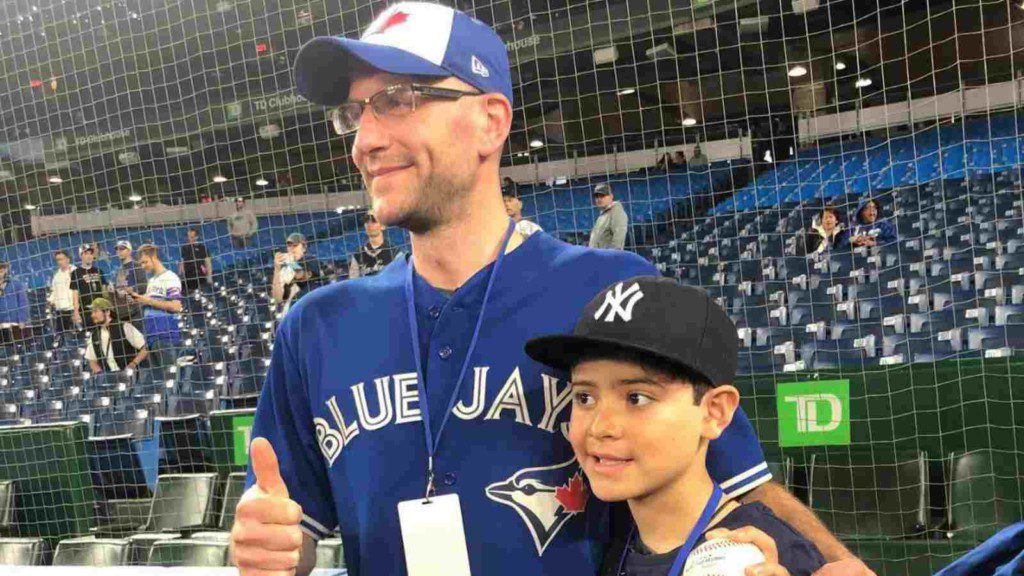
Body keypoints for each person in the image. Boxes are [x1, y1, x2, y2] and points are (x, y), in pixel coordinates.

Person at [233, 4, 868, 576]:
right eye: (354, 112)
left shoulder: (610, 285)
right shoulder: (315, 326)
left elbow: (734, 486)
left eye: (398, 100)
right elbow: (297, 533)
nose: (365, 139)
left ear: (490, 121)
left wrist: (840, 566)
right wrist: (273, 547)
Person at [524, 277, 826, 576]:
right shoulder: (615, 544)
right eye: (585, 397)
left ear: (714, 412)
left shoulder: (773, 556)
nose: (600, 427)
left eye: (636, 398)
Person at [127, 244, 182, 369]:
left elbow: (176, 306)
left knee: (168, 378)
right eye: (141, 263)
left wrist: (148, 300)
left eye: (145, 262)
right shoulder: (151, 281)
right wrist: (137, 299)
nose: (142, 266)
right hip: (151, 339)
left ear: (154, 257)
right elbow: (148, 302)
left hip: (166, 338)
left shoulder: (170, 277)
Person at [84, 298, 148, 374]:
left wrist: (133, 363)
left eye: (95, 311)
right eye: (92, 312)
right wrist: (100, 373)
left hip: (131, 376)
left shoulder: (124, 327)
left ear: (107, 312)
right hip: (110, 378)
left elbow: (145, 348)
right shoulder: (94, 335)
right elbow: (92, 360)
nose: (92, 315)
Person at [271, 233, 323, 311]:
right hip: (292, 311)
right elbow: (278, 298)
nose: (291, 248)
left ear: (304, 247)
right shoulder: (285, 269)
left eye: (295, 245)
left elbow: (302, 276)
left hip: (312, 307)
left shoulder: (311, 260)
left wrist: (291, 262)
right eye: (289, 245)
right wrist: (277, 269)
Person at [348, 213, 395, 279]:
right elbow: (353, 282)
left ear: (383, 226)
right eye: (366, 220)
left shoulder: (395, 252)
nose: (369, 224)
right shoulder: (357, 255)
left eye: (374, 220)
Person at [110, 239, 147, 323]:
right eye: (117, 249)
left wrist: (132, 289)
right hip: (123, 311)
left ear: (129, 251)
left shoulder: (136, 266)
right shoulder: (119, 270)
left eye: (122, 249)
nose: (119, 251)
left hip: (136, 310)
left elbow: (144, 285)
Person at [70, 243, 107, 327]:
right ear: (81, 255)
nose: (89, 256)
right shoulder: (76, 273)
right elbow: (75, 294)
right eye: (86, 253)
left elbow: (104, 291)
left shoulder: (99, 271)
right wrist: (76, 312)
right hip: (86, 310)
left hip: (100, 310)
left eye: (91, 253)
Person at [589, 183, 628, 250]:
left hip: (607, 259)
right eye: (597, 196)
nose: (599, 199)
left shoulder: (616, 212)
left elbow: (618, 243)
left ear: (611, 196)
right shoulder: (603, 215)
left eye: (602, 196)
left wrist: (610, 259)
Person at [48, 250, 76, 341]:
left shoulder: (75, 272)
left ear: (68, 259)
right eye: (57, 260)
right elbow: (54, 292)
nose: (59, 262)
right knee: (61, 337)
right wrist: (51, 301)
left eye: (61, 259)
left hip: (73, 310)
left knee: (75, 336)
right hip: (60, 312)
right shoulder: (56, 276)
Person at [180, 227, 214, 294]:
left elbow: (208, 263)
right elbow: (182, 262)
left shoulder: (202, 248)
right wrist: (180, 275)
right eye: (188, 237)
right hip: (188, 277)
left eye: (192, 237)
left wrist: (209, 277)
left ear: (197, 237)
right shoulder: (184, 248)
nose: (189, 239)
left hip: (199, 276)